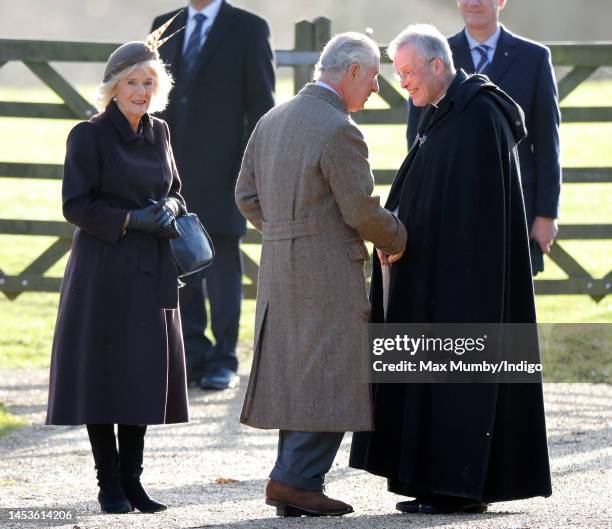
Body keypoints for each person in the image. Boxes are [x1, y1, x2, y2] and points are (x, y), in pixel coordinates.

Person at [350, 24, 552, 514]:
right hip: (437, 273)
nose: (404, 85)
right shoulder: (445, 111)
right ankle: (435, 482)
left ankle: (457, 489)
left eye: (409, 73)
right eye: (398, 75)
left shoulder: (478, 113)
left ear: (438, 66)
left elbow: (472, 209)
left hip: (464, 280)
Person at [235, 32, 407, 517]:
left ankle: (297, 479)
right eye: (373, 77)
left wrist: (286, 233)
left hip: (279, 266)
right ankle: (294, 481)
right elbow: (359, 209)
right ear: (351, 71)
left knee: (298, 372)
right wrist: (398, 239)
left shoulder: (273, 118)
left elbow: (245, 196)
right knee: (333, 372)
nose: (375, 88)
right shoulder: (339, 128)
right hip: (329, 267)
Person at [46, 29, 189, 514]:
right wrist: (130, 219)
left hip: (151, 271)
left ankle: (134, 482)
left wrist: (169, 205)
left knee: (142, 375)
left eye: (149, 82)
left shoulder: (160, 132)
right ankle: (109, 485)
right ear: (112, 86)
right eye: (132, 81)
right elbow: (75, 205)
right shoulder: (88, 135)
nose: (141, 90)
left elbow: (176, 188)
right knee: (104, 376)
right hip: (103, 270)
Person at [151, 0, 275, 391]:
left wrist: (251, 171)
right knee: (178, 261)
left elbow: (261, 106)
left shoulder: (249, 28)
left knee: (222, 266)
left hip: (227, 172)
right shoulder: (163, 24)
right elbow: (148, 94)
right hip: (171, 171)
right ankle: (190, 354)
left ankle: (223, 358)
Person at [407, 0, 561, 275]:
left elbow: (548, 143)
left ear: (501, 1)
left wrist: (546, 214)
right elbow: (417, 142)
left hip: (515, 204)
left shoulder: (534, 58)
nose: (473, 2)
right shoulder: (433, 55)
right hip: (451, 205)